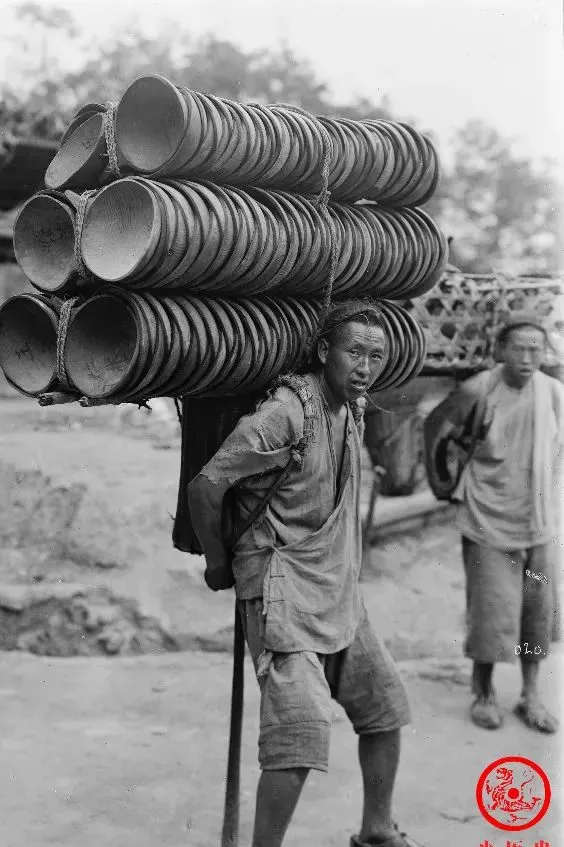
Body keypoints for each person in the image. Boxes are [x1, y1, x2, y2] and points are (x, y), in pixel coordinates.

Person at [188, 300, 416, 847]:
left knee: (385, 707)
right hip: (281, 589)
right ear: (323, 351)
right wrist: (218, 562)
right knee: (300, 734)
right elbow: (205, 487)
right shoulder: (288, 412)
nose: (365, 367)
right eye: (354, 352)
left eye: (376, 356)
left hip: (335, 585)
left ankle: (377, 831)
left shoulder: (352, 408)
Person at [433, 317, 563, 733]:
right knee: (490, 611)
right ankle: (484, 692)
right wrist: (441, 483)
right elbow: (435, 426)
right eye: (518, 348)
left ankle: (530, 695)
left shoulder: (554, 392)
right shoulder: (479, 389)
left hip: (539, 522)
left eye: (535, 349)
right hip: (487, 518)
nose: (527, 357)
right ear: (501, 350)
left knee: (536, 614)